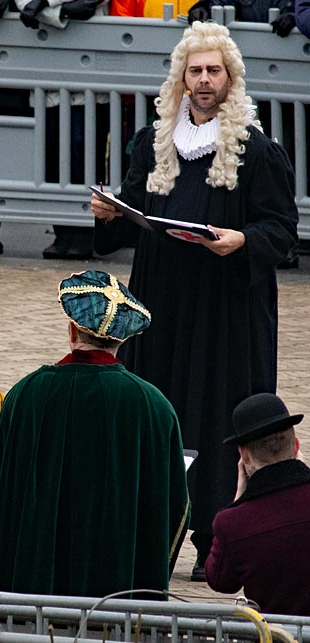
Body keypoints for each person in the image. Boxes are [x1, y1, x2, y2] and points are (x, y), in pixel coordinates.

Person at [90, 22, 298, 581]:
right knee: (160, 409)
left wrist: (246, 241)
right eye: (195, 70)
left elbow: (281, 228)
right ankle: (155, 529)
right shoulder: (151, 143)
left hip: (226, 307)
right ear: (180, 78)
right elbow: (134, 209)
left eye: (214, 71)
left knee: (217, 410)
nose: (204, 80)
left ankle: (216, 534)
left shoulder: (258, 151)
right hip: (161, 303)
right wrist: (111, 213)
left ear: (231, 78)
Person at [0, 270, 189, 598]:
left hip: (34, 599)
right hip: (118, 598)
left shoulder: (24, 395)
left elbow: (1, 499)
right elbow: (175, 508)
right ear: (123, 338)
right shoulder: (154, 407)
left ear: (72, 329)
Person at [205, 393, 310, 616]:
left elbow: (220, 580)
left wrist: (238, 499)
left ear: (245, 457)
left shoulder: (233, 523)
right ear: (296, 446)